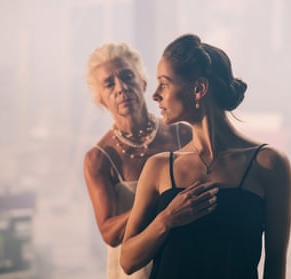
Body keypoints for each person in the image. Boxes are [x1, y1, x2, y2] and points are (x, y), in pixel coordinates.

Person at [120, 34, 291, 279]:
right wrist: (167, 219)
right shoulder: (158, 167)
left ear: (199, 89)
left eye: (165, 83)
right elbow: (127, 261)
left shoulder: (269, 164)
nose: (155, 95)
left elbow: (275, 263)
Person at [84, 42, 192, 279]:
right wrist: (158, 206)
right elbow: (109, 232)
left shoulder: (181, 134)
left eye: (127, 76)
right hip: (135, 269)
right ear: (100, 98)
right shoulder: (100, 158)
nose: (121, 88)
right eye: (109, 84)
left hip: (182, 260)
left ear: (143, 83)